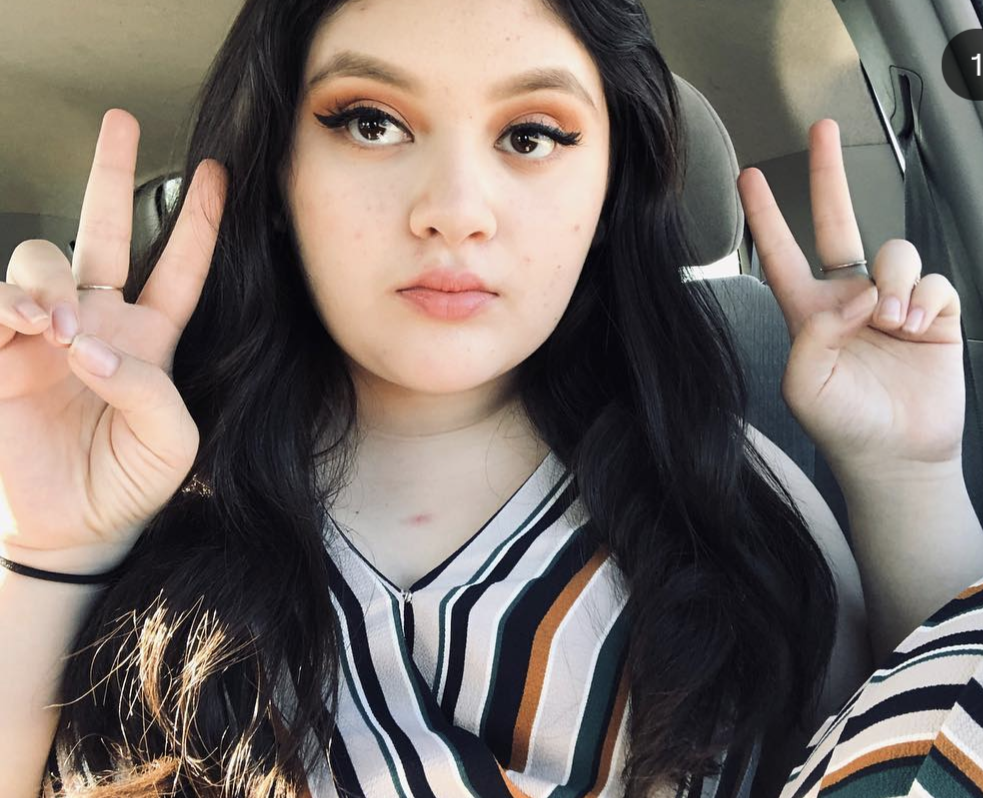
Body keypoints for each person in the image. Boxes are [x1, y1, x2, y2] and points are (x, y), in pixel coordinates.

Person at [0, 0, 980, 795]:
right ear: (279, 175)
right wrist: (54, 548)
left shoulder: (721, 488)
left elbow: (926, 735)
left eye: (531, 134)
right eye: (370, 123)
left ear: (609, 191)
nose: (455, 211)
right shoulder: (125, 488)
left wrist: (905, 473)